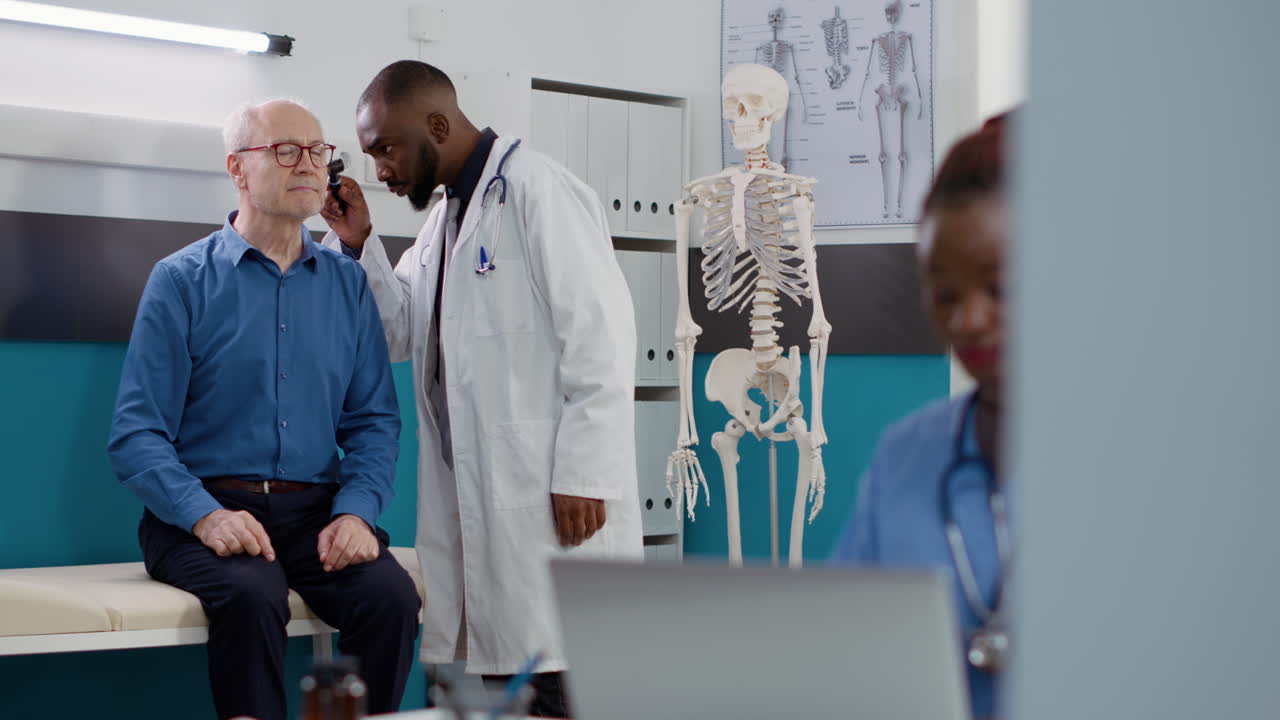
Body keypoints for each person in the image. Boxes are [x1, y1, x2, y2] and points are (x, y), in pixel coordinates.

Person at [319, 61, 642, 717]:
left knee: (558, 677)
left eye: (387, 147)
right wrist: (360, 245)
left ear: (437, 124)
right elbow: (398, 333)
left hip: (550, 491)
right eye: (371, 154)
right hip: (486, 499)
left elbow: (602, 336)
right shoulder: (445, 219)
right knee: (507, 683)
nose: (379, 169)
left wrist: (585, 471)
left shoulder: (537, 190)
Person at [107, 99, 421, 720]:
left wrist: (357, 513)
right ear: (238, 169)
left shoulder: (347, 283)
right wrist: (206, 517)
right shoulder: (181, 281)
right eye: (285, 150)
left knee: (389, 596)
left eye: (316, 151)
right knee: (252, 595)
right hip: (202, 512)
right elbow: (136, 435)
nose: (307, 164)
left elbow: (374, 424)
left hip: (315, 514)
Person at [829, 111, 1015, 719]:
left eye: (1003, 288)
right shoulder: (908, 454)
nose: (969, 320)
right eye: (945, 294)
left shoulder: (1151, 464)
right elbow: (840, 652)